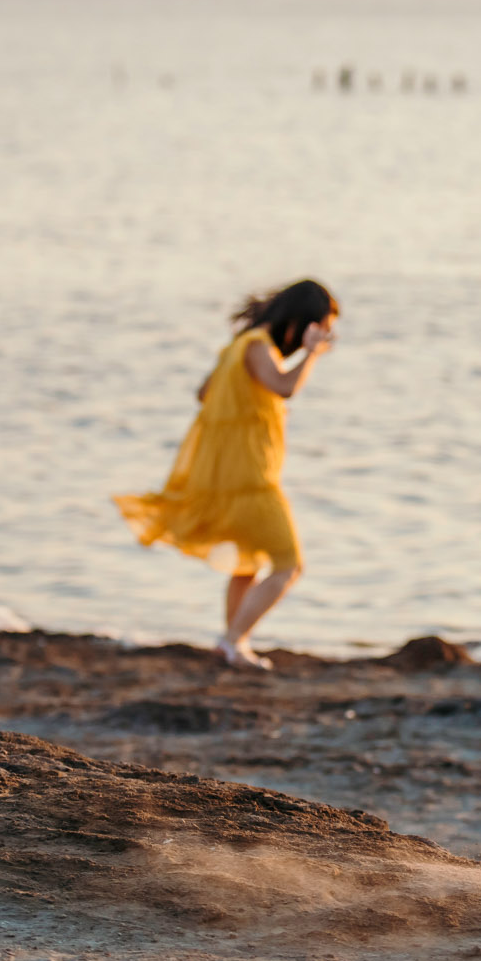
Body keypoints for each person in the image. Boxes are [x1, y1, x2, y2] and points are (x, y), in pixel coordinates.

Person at [115, 280, 338, 670]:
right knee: (289, 564)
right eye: (320, 326)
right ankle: (233, 640)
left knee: (247, 564)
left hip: (233, 474)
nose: (323, 335)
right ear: (303, 321)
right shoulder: (257, 347)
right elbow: (283, 386)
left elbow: (204, 393)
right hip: (251, 478)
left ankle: (235, 645)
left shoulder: (239, 346)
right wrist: (312, 354)